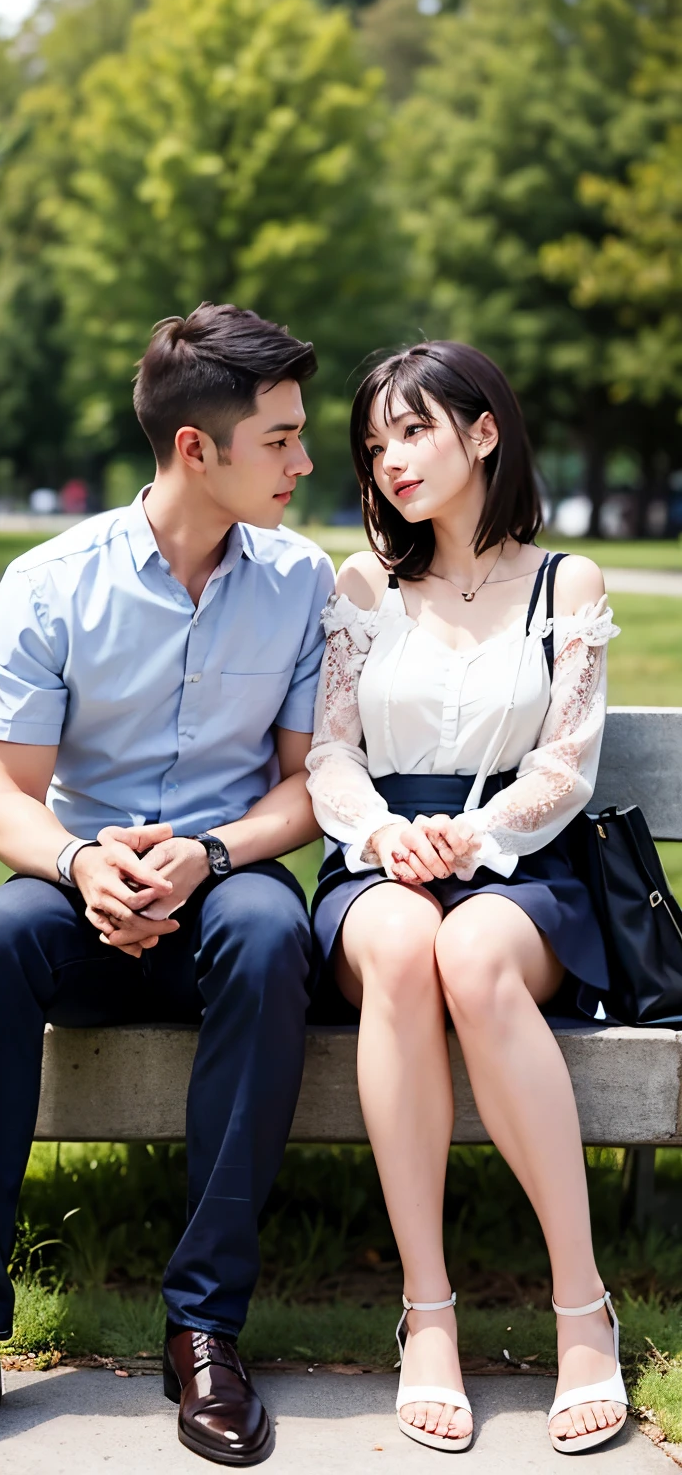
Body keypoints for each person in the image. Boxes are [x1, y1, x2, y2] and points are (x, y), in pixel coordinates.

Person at [0, 303, 334, 1473]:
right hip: (80, 899)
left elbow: (304, 791)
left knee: (271, 928)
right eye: (280, 438)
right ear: (198, 448)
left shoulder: (299, 582)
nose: (305, 460)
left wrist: (213, 852)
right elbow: (3, 804)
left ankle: (205, 1331)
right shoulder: (51, 583)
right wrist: (87, 864)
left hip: (221, 890)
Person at [306, 341, 627, 1456]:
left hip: (522, 865)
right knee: (402, 948)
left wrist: (475, 838)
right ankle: (428, 1312)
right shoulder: (361, 586)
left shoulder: (564, 584)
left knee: (474, 957)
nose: (390, 459)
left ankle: (582, 1309)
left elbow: (567, 764)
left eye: (414, 430)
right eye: (375, 442)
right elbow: (331, 754)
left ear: (483, 430)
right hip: (378, 857)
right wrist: (390, 833)